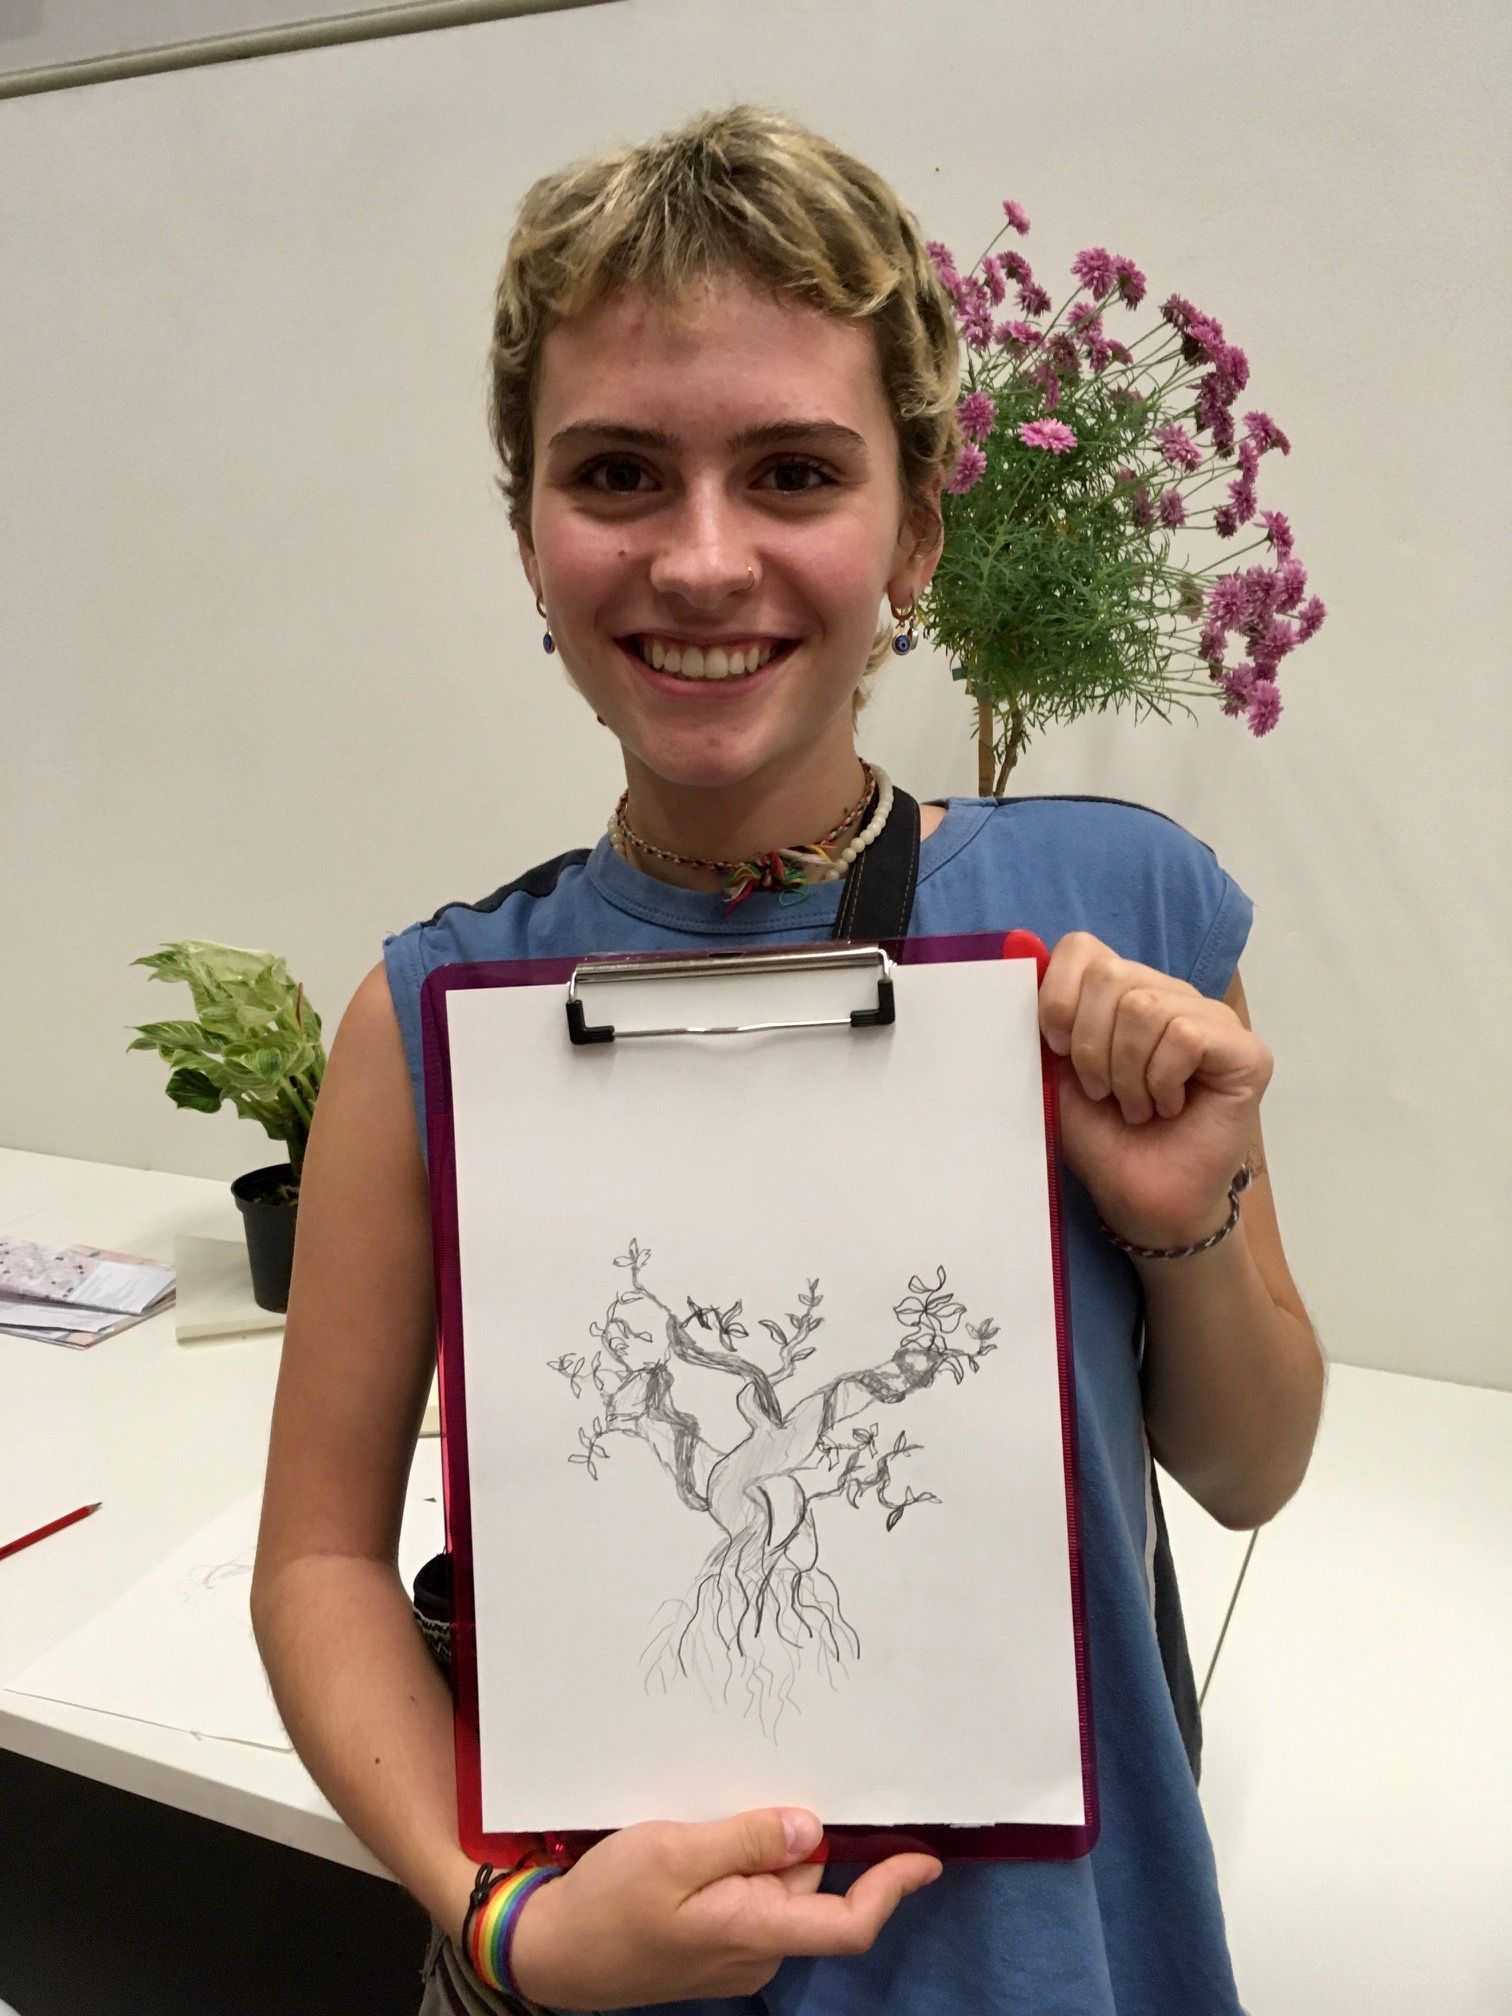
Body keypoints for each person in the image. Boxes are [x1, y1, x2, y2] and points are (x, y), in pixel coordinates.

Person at [251, 103, 1326, 2016]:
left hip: (1053, 1968)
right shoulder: (429, 1021)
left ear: (915, 529)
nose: (701, 557)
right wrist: (503, 1926)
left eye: (795, 472)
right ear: (529, 537)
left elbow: (1251, 1471)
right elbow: (319, 1561)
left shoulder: (1120, 922)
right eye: (617, 474)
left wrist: (1190, 1218)